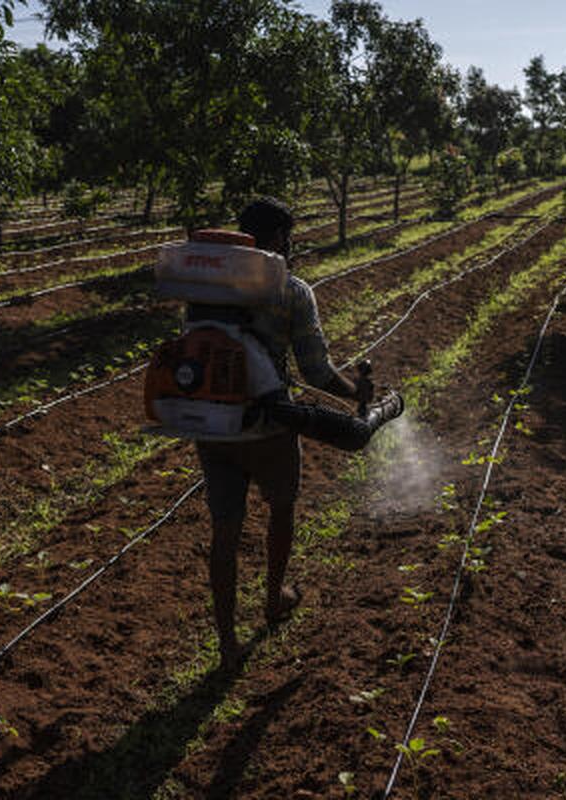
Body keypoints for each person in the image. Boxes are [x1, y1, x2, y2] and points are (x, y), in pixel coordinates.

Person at [191, 196, 363, 671]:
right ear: (273, 239)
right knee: (281, 507)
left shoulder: (205, 281)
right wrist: (355, 394)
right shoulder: (290, 289)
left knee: (224, 529)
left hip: (211, 423)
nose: (290, 245)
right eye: (286, 236)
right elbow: (316, 371)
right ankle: (273, 598)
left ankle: (227, 644)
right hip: (269, 424)